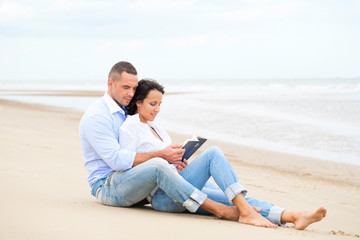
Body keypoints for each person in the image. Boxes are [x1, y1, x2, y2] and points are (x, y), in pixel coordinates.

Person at [79, 61, 326, 229]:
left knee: (223, 182)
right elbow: (117, 161)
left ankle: (290, 215)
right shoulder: (101, 117)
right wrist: (163, 156)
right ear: (109, 83)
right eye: (126, 87)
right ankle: (223, 211)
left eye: (134, 88)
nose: (131, 93)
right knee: (160, 166)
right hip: (109, 185)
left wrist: (175, 158)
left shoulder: (128, 114)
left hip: (148, 185)